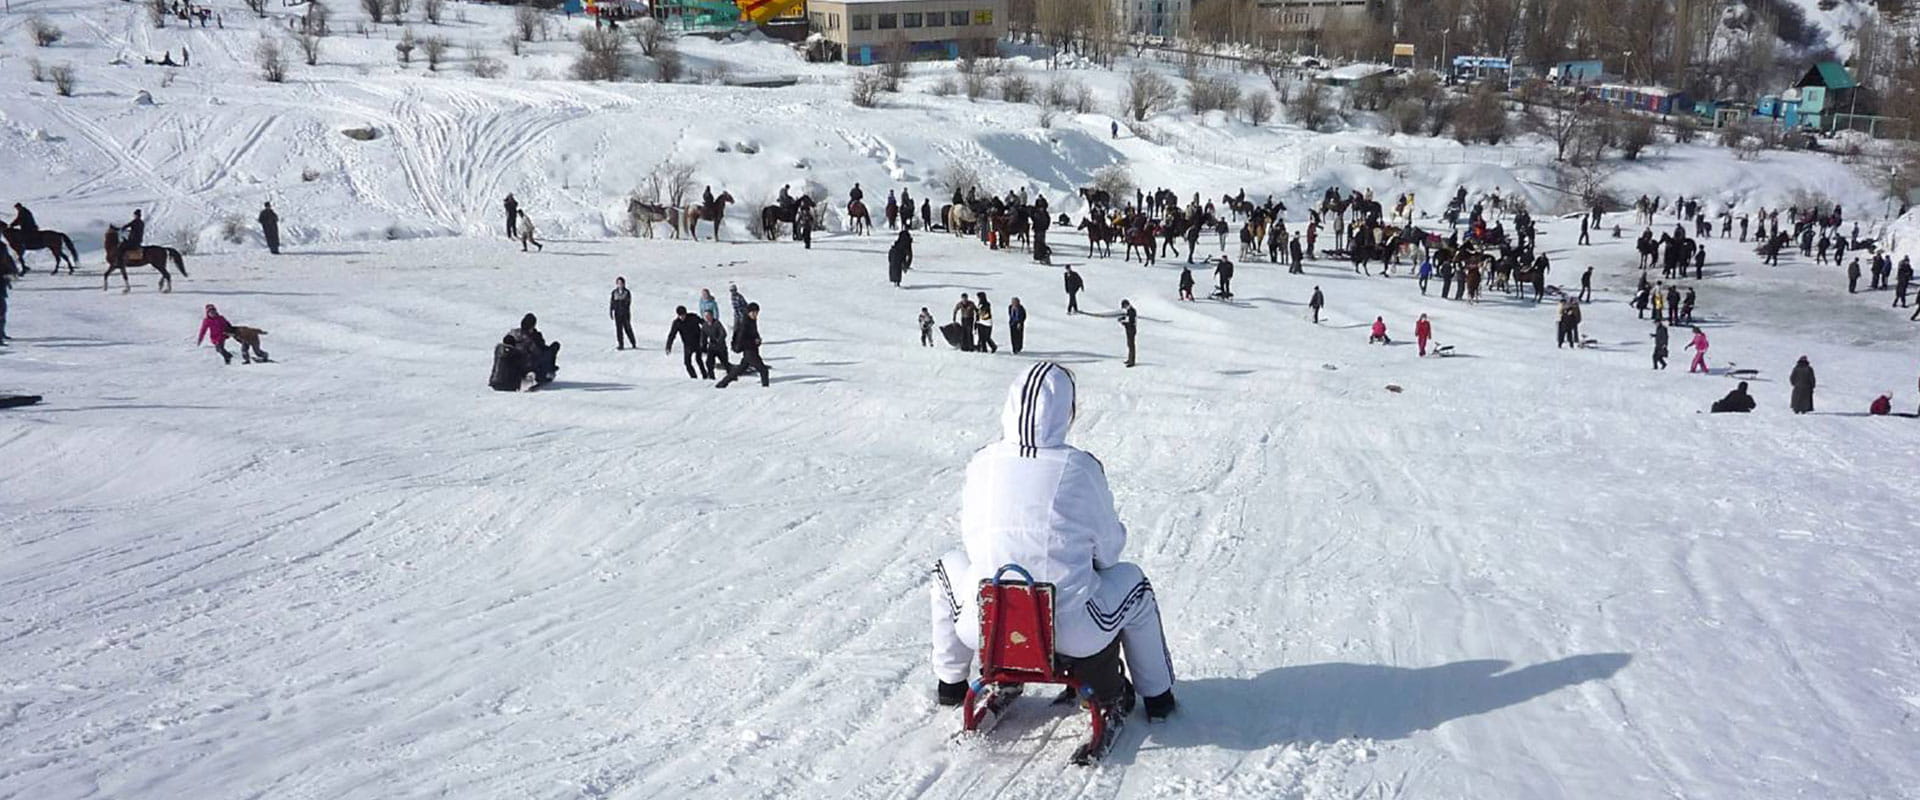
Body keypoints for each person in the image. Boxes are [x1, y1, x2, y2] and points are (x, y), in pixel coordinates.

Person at [929, 363, 1179, 722]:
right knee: (1134, 585)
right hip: (1072, 629)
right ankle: (1158, 696)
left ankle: (951, 683)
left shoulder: (982, 461)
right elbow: (1110, 552)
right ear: (1066, 411)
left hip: (988, 622)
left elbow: (971, 541)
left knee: (946, 568)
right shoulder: (1079, 467)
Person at [716, 303, 769, 388]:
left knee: (740, 369)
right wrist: (754, 342)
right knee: (764, 370)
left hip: (751, 350)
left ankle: (722, 383)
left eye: (756, 312)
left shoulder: (751, 321)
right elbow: (741, 340)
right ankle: (765, 390)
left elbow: (754, 334)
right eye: (753, 312)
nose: (755, 314)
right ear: (748, 312)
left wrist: (758, 340)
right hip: (749, 351)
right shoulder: (745, 324)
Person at [507, 313, 560, 385]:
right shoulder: (534, 337)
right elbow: (539, 351)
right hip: (531, 365)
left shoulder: (514, 333)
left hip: (516, 366)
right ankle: (544, 373)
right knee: (552, 349)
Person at [666, 306, 704, 379]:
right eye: (680, 315)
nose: (682, 317)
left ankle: (705, 375)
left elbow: (703, 323)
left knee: (699, 359)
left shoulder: (693, 317)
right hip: (687, 344)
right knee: (687, 362)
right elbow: (672, 335)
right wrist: (668, 346)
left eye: (683, 315)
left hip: (698, 341)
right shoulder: (677, 323)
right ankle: (693, 377)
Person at [699, 310, 730, 378]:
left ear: (712, 316)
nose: (707, 318)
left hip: (720, 347)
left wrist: (718, 340)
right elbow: (703, 337)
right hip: (712, 347)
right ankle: (711, 377)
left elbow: (723, 333)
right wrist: (703, 346)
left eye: (709, 316)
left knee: (725, 363)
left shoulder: (717, 323)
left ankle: (731, 376)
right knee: (709, 363)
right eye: (706, 316)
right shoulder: (705, 325)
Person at [610, 277, 636, 350]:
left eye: (621, 283)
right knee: (619, 330)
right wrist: (611, 311)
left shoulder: (626, 292)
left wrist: (624, 309)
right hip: (617, 314)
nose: (620, 285)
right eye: (618, 283)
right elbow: (612, 303)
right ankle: (620, 344)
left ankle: (633, 342)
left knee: (627, 329)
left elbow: (628, 303)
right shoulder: (614, 292)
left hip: (625, 314)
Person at [1119, 300, 1137, 367]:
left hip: (1131, 329)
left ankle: (1132, 361)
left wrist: (1123, 322)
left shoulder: (1131, 311)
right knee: (1129, 344)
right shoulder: (1129, 311)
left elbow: (1130, 321)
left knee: (1131, 345)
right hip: (1129, 329)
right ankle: (1130, 359)